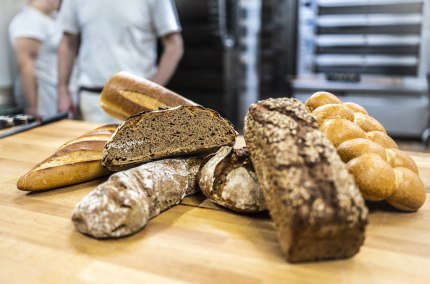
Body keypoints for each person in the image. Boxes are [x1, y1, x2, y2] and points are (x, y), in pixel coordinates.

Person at [57, 0, 184, 123]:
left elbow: (174, 46)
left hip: (139, 100)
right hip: (93, 98)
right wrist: (62, 90)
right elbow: (67, 43)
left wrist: (152, 92)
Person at [9, 0, 61, 119]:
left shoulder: (53, 17)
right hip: (44, 101)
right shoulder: (28, 20)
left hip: (58, 96)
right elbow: (25, 65)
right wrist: (32, 107)